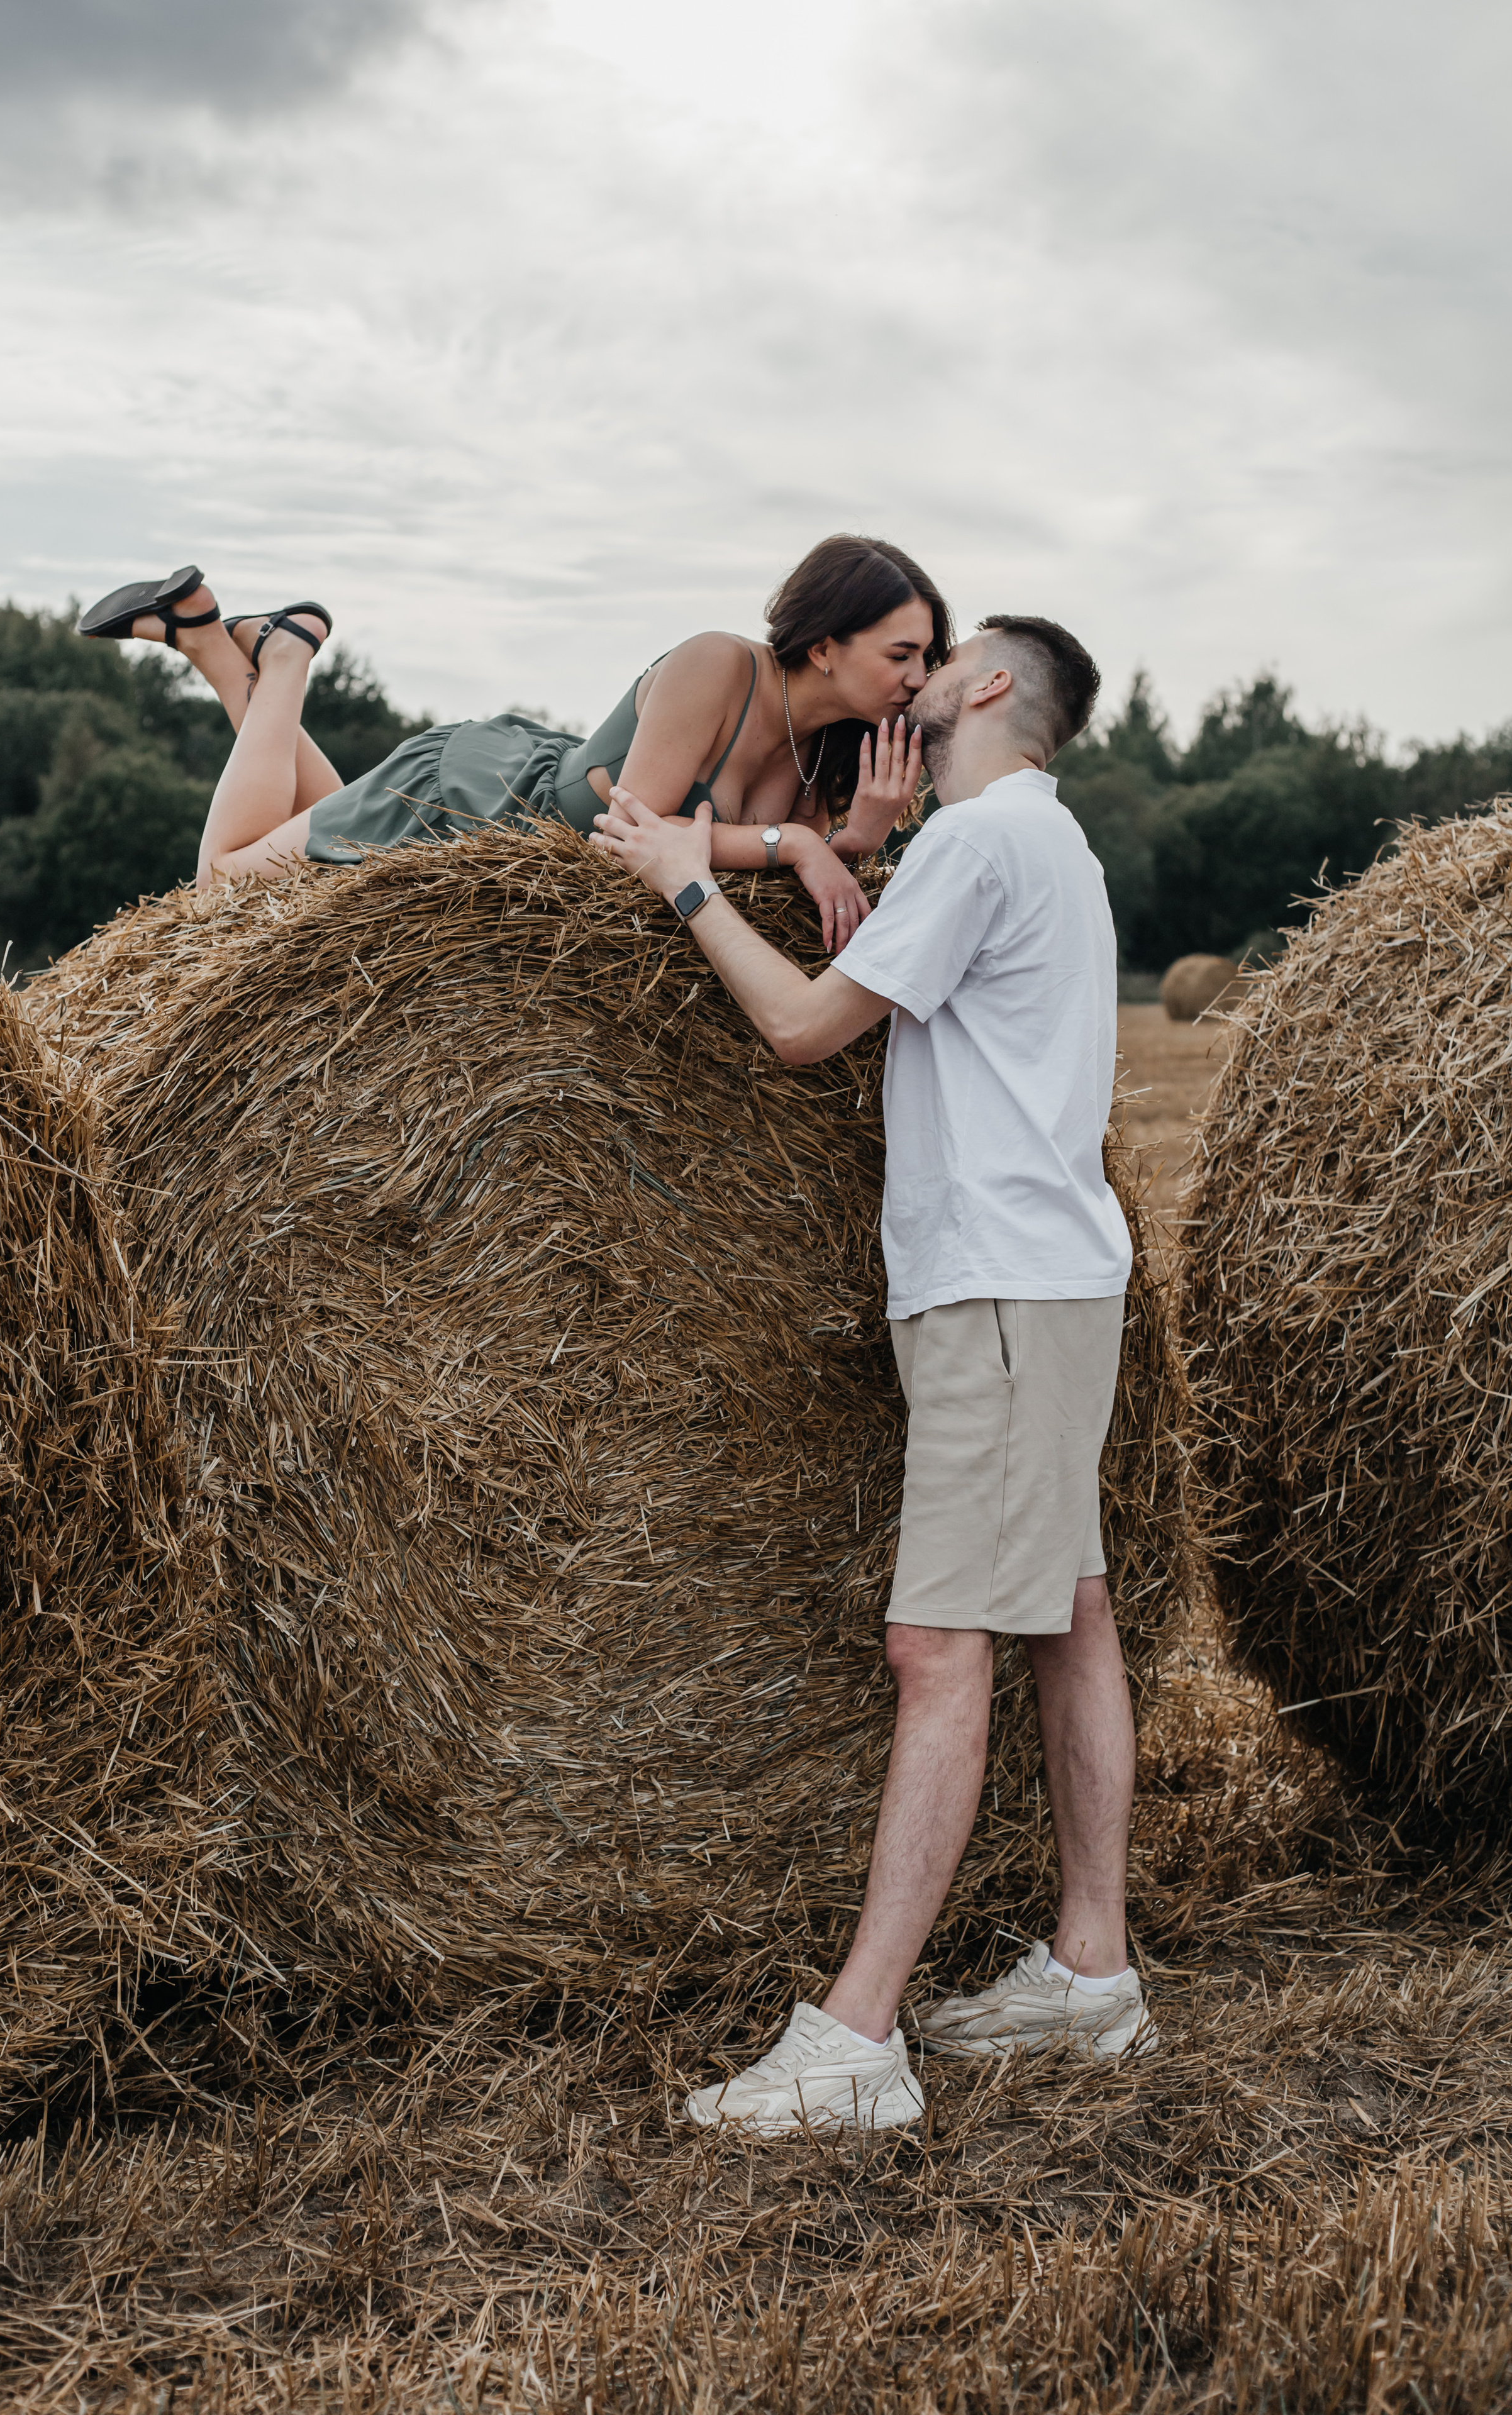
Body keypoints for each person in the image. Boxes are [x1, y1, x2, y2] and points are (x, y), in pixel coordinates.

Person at [591, 613, 1155, 2136]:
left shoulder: (983, 843)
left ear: (991, 685)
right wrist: (844, 845)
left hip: (997, 1292)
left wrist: (685, 879)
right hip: (1042, 1285)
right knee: (1070, 1615)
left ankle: (854, 2043)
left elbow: (798, 1026)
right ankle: (1089, 1969)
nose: (914, 681)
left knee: (935, 1647)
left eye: (939, 660)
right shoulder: (1038, 846)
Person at [78, 536, 951, 952]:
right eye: (900, 655)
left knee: (314, 822)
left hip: (513, 844)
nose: (917, 678)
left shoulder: (835, 746)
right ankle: (287, 652)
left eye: (926, 659)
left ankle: (203, 638)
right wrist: (801, 841)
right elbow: (635, 835)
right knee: (223, 883)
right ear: (825, 645)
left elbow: (783, 890)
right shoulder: (717, 666)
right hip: (476, 803)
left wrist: (857, 838)